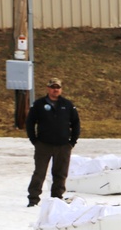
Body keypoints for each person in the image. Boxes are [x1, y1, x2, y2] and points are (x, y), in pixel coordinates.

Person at [25, 77, 80, 207]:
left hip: (63, 146)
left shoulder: (67, 105)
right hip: (44, 145)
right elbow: (30, 123)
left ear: (61, 89)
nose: (55, 90)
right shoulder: (39, 104)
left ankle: (56, 199)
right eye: (53, 87)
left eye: (58, 87)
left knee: (60, 174)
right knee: (39, 173)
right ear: (48, 88)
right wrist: (35, 140)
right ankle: (33, 199)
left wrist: (72, 142)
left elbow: (76, 123)